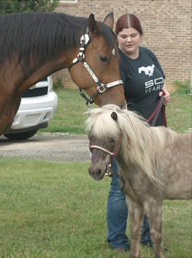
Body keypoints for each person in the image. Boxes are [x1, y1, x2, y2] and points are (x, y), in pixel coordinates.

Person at [106, 13, 171, 253]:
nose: (129, 40)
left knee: (150, 185)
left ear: (140, 34)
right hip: (131, 137)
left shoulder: (149, 55)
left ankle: (146, 236)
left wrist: (164, 93)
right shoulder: (117, 63)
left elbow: (160, 81)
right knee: (120, 186)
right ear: (117, 37)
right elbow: (116, 103)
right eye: (123, 36)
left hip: (155, 133)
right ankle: (116, 240)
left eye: (133, 35)